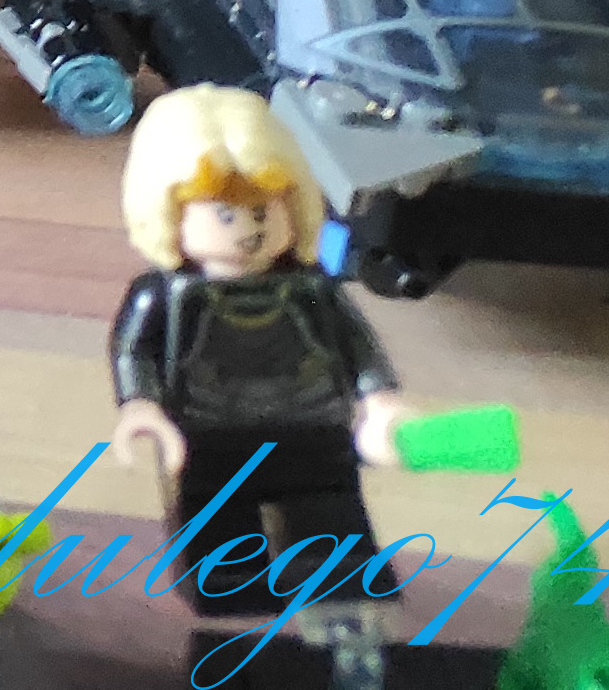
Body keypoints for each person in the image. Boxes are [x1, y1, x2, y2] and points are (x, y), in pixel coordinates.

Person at [107, 85, 417, 647]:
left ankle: (336, 578)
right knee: (219, 528)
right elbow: (134, 351)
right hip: (208, 432)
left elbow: (358, 345)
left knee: (328, 517)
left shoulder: (312, 289)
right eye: (224, 214)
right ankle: (232, 584)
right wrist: (141, 405)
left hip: (313, 426)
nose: (247, 229)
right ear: (165, 211)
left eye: (260, 210)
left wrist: (380, 400)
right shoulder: (166, 296)